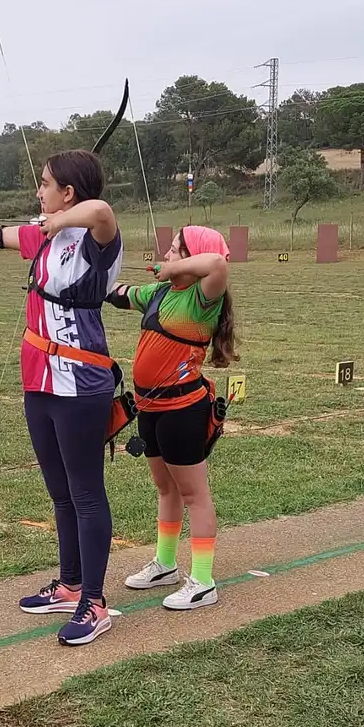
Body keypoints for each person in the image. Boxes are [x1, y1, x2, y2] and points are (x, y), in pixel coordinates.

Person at [0, 149, 122, 646]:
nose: (39, 192)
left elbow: (101, 212)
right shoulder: (42, 235)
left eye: (45, 184)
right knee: (59, 492)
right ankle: (70, 582)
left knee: (85, 493)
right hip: (39, 379)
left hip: (80, 382)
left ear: (68, 193)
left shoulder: (97, 240)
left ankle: (94, 603)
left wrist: (56, 222)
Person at [105, 224, 237, 610]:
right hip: (151, 409)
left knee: (195, 495)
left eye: (177, 249)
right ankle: (165, 564)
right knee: (166, 489)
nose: (168, 253)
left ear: (193, 257)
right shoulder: (160, 292)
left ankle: (203, 580)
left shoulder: (203, 297)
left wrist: (174, 268)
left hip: (183, 411)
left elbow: (217, 262)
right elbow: (120, 295)